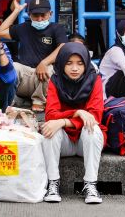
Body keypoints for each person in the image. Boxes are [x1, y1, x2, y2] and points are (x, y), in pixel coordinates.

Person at [41, 42, 105, 204]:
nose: (74, 68)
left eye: (80, 63)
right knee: (50, 130)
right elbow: (50, 115)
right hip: (65, 143)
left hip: (87, 143)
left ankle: (91, 185)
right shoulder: (55, 81)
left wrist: (63, 121)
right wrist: (77, 112)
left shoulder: (95, 80)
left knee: (92, 128)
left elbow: (95, 116)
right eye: (69, 63)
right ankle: (53, 183)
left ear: (86, 63)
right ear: (61, 63)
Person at [0, 0, 67, 112]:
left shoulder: (56, 28)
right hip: (26, 78)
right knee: (12, 67)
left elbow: (63, 47)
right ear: (29, 15)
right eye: (35, 15)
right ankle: (10, 100)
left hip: (46, 80)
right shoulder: (24, 27)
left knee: (50, 69)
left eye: (43, 15)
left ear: (50, 14)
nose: (39, 19)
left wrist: (44, 63)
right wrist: (16, 11)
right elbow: (0, 32)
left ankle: (39, 102)